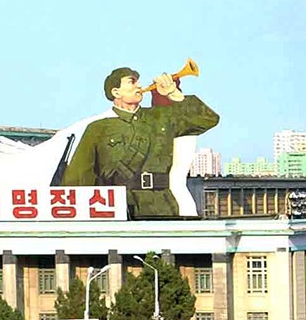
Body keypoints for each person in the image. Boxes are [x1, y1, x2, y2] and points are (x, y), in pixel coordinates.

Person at [61, 67, 221, 219]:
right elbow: (78, 178)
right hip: (116, 205)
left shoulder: (160, 117)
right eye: (132, 82)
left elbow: (208, 120)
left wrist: (174, 94)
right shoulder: (98, 128)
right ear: (115, 92)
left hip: (160, 203)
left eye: (138, 81)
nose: (139, 86)